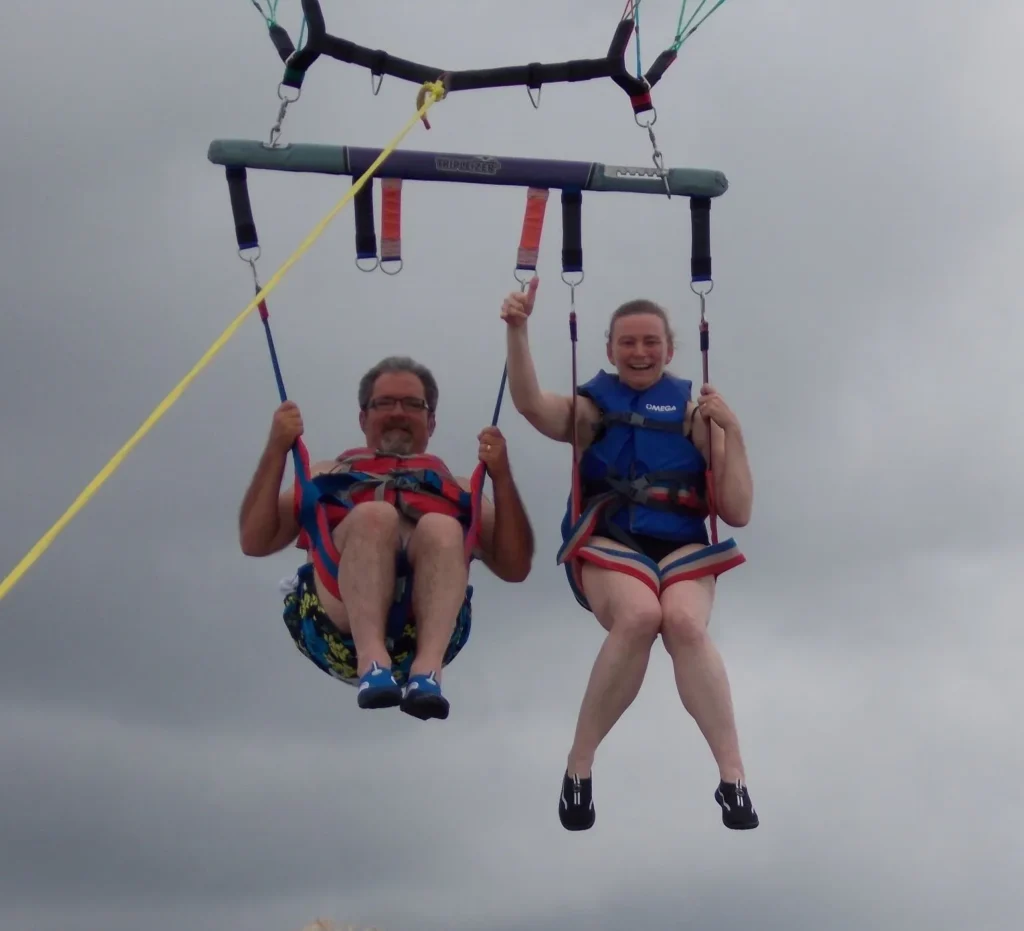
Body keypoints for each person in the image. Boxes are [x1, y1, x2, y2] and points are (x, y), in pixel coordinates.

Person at [501, 278, 758, 831]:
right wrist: (518, 331)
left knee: (685, 623)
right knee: (641, 615)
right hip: (609, 540)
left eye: (650, 343)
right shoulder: (592, 413)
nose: (639, 353)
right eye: (628, 343)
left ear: (669, 350)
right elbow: (530, 404)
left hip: (682, 544)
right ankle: (580, 766)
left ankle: (733, 777)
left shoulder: (693, 416)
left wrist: (731, 433)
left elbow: (737, 510)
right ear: (610, 350)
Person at [238, 355, 535, 721]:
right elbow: (255, 540)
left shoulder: (456, 488)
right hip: (336, 628)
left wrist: (501, 476)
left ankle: (427, 673)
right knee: (374, 516)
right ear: (363, 418)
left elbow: (515, 566)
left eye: (413, 404)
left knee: (442, 527)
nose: (398, 413)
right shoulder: (327, 473)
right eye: (385, 403)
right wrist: (276, 447)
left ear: (431, 421)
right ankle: (371, 661)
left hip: (428, 634)